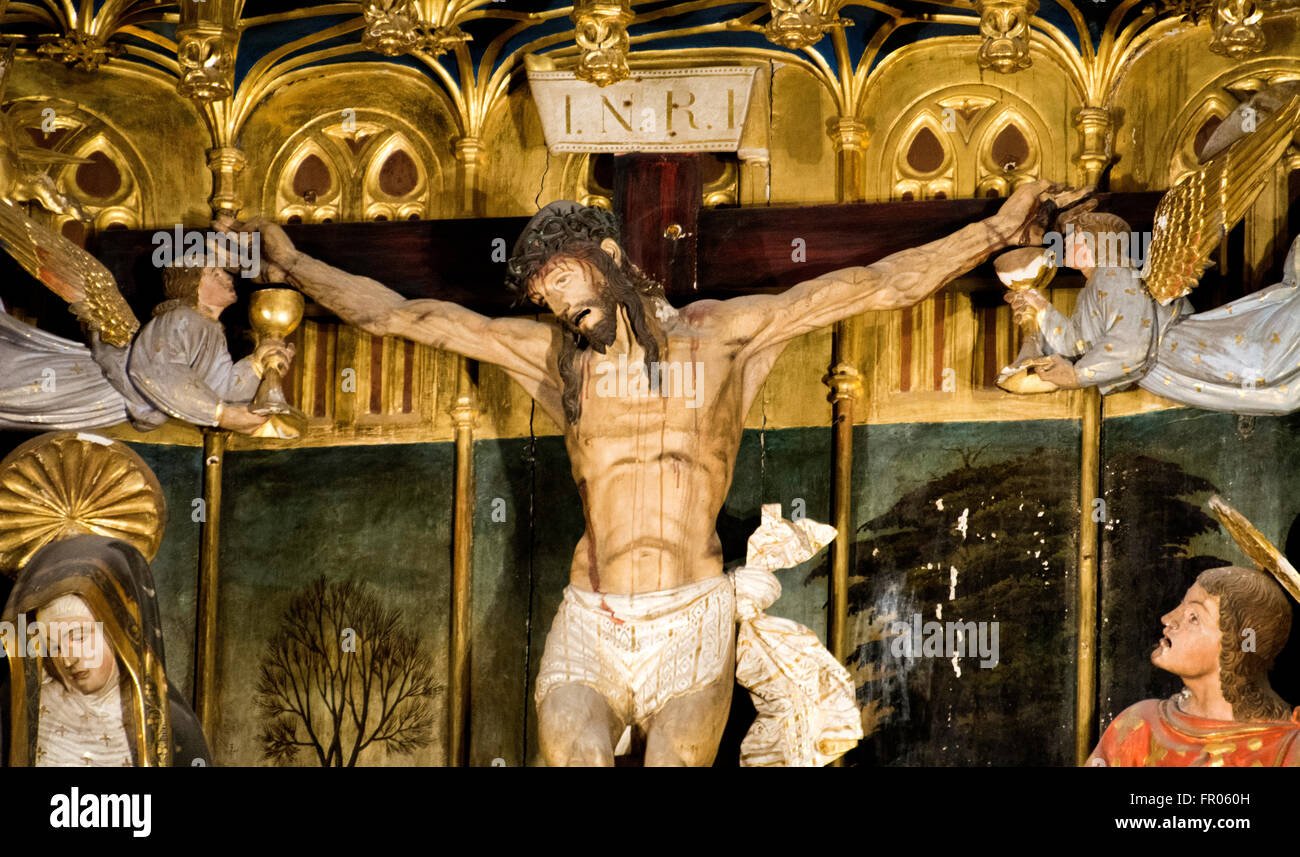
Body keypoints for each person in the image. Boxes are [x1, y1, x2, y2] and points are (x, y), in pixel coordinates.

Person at [222, 179, 1074, 765]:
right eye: (549, 299)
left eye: (563, 282)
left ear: (605, 251)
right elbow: (410, 316)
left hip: (691, 618)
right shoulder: (554, 361)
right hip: (591, 615)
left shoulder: (726, 337)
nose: (560, 307)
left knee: (673, 759)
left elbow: (876, 284)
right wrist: (290, 261)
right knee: (576, 753)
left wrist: (1001, 230)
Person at [1006, 216, 1300, 415]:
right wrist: (1040, 307)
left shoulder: (1114, 275)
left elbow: (1131, 345)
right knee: (1276, 391)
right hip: (1165, 367)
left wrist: (1078, 375)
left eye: (1073, 238)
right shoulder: (1098, 283)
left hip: (1179, 351)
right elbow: (1077, 344)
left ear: (1095, 243)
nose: (1065, 244)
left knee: (1265, 364)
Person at [0, 264, 292, 434]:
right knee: (12, 385)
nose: (227, 277)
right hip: (97, 387)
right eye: (214, 273)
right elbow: (155, 370)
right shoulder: (182, 318)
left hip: (114, 405)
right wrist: (222, 415)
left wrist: (255, 365)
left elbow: (218, 388)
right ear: (193, 285)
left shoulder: (210, 330)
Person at [0, 534, 210, 766]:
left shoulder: (168, 723)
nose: (68, 659)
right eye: (53, 646)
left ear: (117, 632)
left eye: (79, 637)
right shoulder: (25, 712)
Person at [1087, 565, 1300, 767]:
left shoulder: (1289, 746)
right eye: (1181, 605)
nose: (1167, 618)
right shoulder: (1138, 724)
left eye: (1194, 617)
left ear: (1237, 645)